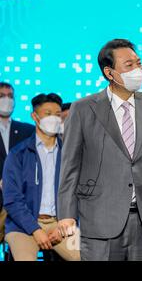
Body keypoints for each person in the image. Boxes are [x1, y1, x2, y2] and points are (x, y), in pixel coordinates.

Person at [57, 39, 142, 261]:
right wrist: (66, 213)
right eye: (129, 65)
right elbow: (70, 166)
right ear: (109, 73)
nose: (138, 69)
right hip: (100, 216)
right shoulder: (83, 109)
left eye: (139, 63)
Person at [2, 93, 80, 261]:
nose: (54, 118)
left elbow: (78, 192)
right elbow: (12, 200)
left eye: (58, 114)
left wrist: (65, 224)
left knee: (89, 256)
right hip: (22, 226)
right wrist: (35, 230)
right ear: (35, 116)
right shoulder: (18, 154)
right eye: (48, 113)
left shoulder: (69, 154)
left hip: (61, 223)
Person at [0, 82, 34, 242]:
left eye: (10, 96)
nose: (7, 100)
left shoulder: (28, 130)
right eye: (2, 96)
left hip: (21, 200)